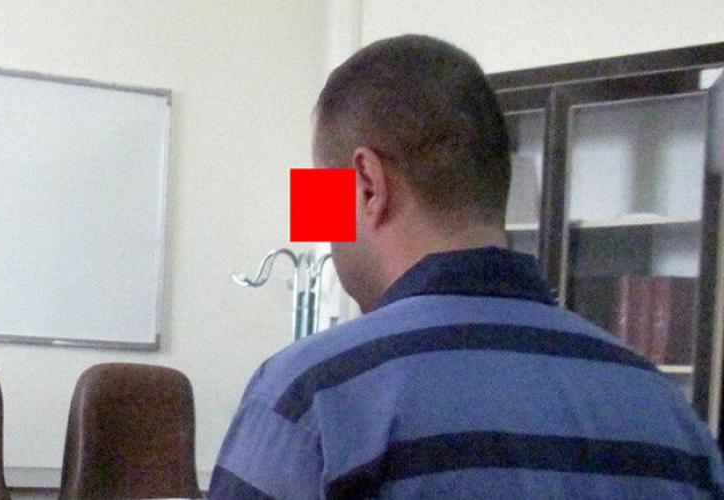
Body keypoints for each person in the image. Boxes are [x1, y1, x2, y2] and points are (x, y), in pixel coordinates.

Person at [208, 34, 724, 499]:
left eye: (322, 191)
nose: (322, 228)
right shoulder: (670, 416)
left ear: (367, 185)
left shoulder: (308, 399)